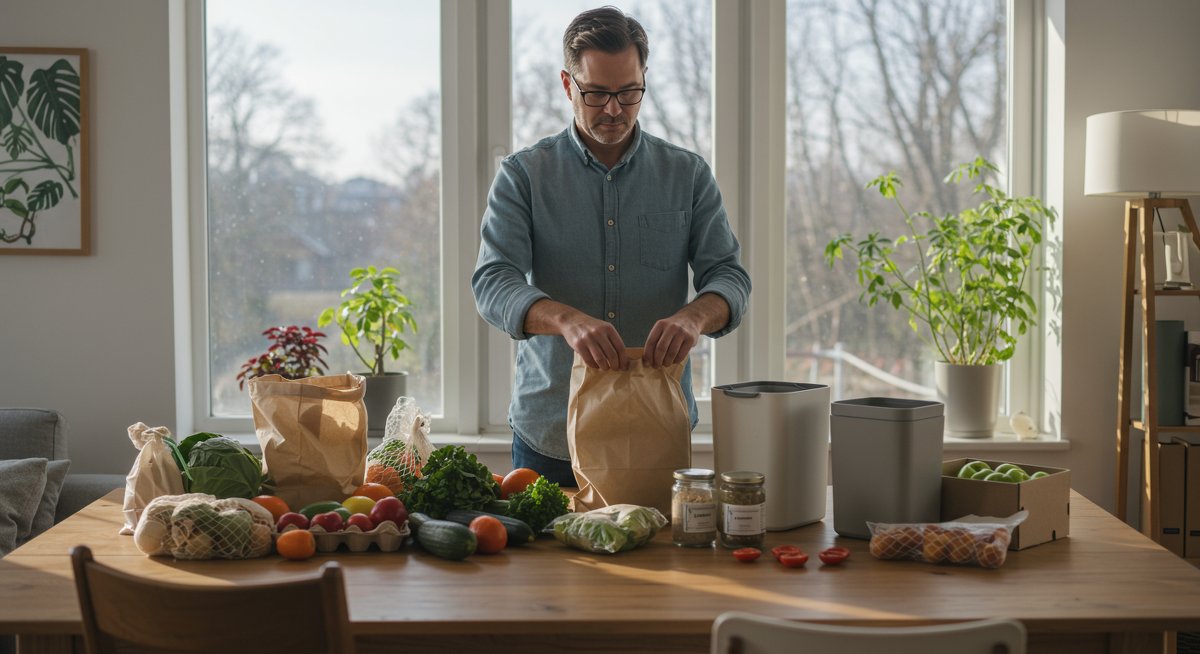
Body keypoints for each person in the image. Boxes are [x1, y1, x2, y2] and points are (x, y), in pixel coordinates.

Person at [472, 6, 751, 487]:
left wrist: (694, 317)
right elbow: (492, 282)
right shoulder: (523, 175)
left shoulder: (687, 174)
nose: (615, 109)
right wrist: (566, 319)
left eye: (629, 92)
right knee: (546, 566)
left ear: (644, 79)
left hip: (658, 423)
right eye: (597, 93)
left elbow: (729, 276)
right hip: (551, 433)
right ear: (567, 84)